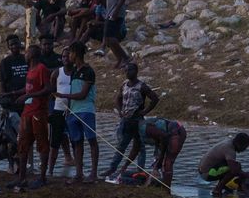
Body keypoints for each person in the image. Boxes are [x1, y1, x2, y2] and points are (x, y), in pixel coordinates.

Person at [108, 62, 159, 180]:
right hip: (125, 119)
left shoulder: (142, 86)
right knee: (122, 145)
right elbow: (118, 98)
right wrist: (120, 111)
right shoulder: (124, 85)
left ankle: (139, 169)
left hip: (137, 119)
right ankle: (113, 168)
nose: (127, 73)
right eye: (125, 71)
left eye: (129, 70)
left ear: (136, 71)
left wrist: (145, 111)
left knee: (140, 146)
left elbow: (155, 98)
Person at [57, 42, 99, 184]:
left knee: (92, 140)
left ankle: (93, 173)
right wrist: (68, 110)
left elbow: (82, 94)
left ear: (76, 53)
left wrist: (63, 97)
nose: (69, 56)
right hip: (73, 111)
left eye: (71, 53)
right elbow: (72, 91)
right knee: (77, 142)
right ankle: (79, 174)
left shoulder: (88, 71)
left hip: (86, 111)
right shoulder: (75, 71)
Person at [17, 45, 54, 187]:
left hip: (39, 111)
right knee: (23, 143)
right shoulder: (30, 70)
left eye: (27, 52)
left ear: (31, 54)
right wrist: (14, 94)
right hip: (27, 111)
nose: (25, 55)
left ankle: (43, 177)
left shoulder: (41, 69)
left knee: (42, 143)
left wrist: (29, 95)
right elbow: (28, 88)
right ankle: (22, 177)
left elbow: (48, 88)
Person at [140, 116, 187, 185]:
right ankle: (165, 187)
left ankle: (167, 190)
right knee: (164, 162)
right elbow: (159, 142)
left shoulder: (145, 128)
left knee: (168, 163)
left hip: (175, 131)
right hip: (177, 130)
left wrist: (160, 158)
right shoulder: (139, 133)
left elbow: (163, 137)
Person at [100, 0, 130, 68]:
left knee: (111, 38)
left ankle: (125, 58)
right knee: (108, 39)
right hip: (110, 13)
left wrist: (116, 10)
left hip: (115, 13)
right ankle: (119, 59)